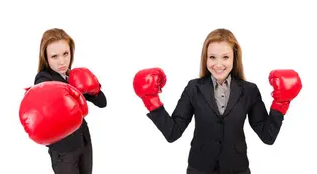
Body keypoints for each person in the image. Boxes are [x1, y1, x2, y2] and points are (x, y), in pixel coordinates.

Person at [133, 28, 302, 174]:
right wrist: (151, 100)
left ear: (234, 58)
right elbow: (173, 133)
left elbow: (267, 137)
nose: (218, 64)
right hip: (200, 168)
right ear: (205, 58)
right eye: (212, 57)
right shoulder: (193, 88)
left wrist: (281, 103)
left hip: (237, 168)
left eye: (225, 57)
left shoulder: (250, 90)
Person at [19, 28, 107, 174]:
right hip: (63, 150)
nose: (62, 61)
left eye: (65, 54)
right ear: (45, 57)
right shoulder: (44, 79)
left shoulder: (74, 76)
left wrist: (93, 87)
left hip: (84, 141)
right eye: (54, 56)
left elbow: (102, 103)